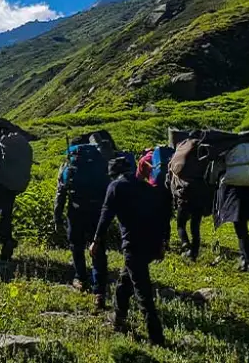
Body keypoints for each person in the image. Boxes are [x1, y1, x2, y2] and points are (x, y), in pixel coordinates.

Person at [90, 157, 168, 346]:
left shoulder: (116, 187)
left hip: (134, 245)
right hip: (151, 244)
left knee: (143, 293)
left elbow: (105, 216)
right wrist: (163, 243)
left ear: (112, 174)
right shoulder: (146, 187)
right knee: (126, 281)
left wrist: (96, 241)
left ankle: (156, 338)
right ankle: (118, 317)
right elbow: (161, 216)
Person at [54, 137, 110, 307]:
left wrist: (57, 217)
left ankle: (80, 278)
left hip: (75, 211)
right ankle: (99, 290)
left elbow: (60, 193)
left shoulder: (69, 166)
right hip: (98, 212)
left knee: (76, 246)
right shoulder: (100, 164)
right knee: (98, 248)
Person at [0, 122, 33, 262]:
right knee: (6, 216)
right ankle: (6, 253)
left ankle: (7, 240)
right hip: (12, 186)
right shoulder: (16, 145)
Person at [214, 182, 249, 272]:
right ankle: (248, 258)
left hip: (235, 196)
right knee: (242, 229)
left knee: (241, 230)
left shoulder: (232, 174)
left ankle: (248, 261)